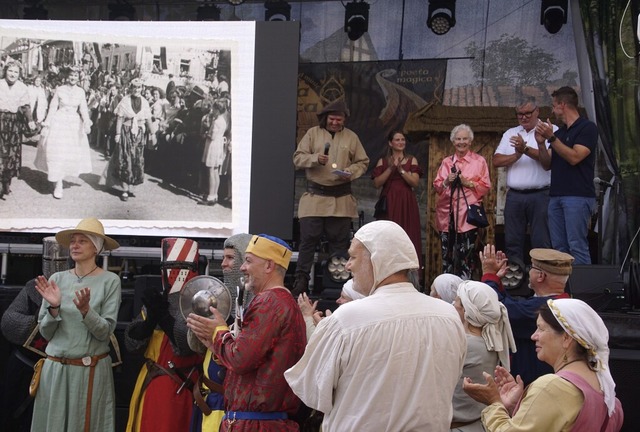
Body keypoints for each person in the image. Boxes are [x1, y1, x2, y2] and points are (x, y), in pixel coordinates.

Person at [285, 220, 466, 431]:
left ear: (377, 259)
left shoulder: (347, 319)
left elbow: (313, 392)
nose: (347, 265)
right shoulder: (448, 316)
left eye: (353, 257)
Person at [187, 234, 306, 432]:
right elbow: (251, 362)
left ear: (269, 266)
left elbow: (240, 359)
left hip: (256, 426)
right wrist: (214, 343)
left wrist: (219, 331)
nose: (242, 267)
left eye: (249, 261)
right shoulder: (279, 302)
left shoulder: (270, 302)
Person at [463, 298, 624, 431]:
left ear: (567, 338)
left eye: (541, 329)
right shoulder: (605, 390)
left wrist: (493, 402)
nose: (534, 336)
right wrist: (519, 406)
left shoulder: (552, 387)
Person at [31, 218, 121, 432]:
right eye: (73, 241)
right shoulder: (57, 279)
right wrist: (54, 308)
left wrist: (86, 311)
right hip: (56, 371)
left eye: (82, 241)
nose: (75, 245)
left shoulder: (110, 281)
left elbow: (105, 332)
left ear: (96, 247)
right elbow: (45, 332)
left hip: (88, 373)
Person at [292, 98, 370, 295]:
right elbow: (297, 158)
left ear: (344, 120)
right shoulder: (312, 134)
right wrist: (314, 158)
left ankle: (339, 285)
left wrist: (350, 172)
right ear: (325, 118)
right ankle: (301, 283)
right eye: (332, 119)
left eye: (339, 119)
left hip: (341, 199)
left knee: (340, 244)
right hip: (314, 198)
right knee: (308, 241)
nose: (335, 122)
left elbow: (363, 162)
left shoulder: (351, 137)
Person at [125, 237, 203, 432]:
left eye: (181, 265)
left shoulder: (200, 303)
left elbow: (186, 346)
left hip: (179, 386)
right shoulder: (158, 300)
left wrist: (162, 315)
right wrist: (151, 319)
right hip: (151, 383)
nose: (174, 271)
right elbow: (132, 343)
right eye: (169, 265)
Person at [0, 237, 69, 432]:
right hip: (25, 371)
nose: (55, 264)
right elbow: (9, 322)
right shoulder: (34, 287)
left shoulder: (77, 290)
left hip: (62, 370)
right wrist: (38, 320)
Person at [186, 233, 253, 432]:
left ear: (244, 260)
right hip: (209, 401)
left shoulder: (255, 303)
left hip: (232, 406)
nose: (223, 264)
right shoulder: (219, 298)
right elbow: (195, 347)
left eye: (230, 258)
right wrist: (200, 317)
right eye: (223, 257)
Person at [480, 244, 572, 385]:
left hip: (531, 386)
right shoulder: (561, 303)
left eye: (531, 268)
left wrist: (489, 275)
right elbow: (514, 308)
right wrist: (496, 280)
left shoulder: (545, 309)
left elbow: (498, 309)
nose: (528, 272)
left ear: (540, 276)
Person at [534, 86, 597, 265]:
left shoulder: (587, 128)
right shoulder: (560, 133)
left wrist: (552, 139)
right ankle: (563, 290)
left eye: (554, 106)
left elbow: (575, 157)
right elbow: (546, 164)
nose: (552, 110)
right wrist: (540, 144)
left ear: (562, 105)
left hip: (577, 196)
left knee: (576, 244)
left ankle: (584, 291)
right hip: (556, 196)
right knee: (559, 248)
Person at [493, 98, 554, 268]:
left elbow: (547, 163)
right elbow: (496, 160)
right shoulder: (510, 133)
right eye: (520, 114)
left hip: (541, 194)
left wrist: (525, 149)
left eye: (528, 113)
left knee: (541, 240)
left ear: (537, 111)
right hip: (515, 195)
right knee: (512, 240)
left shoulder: (550, 130)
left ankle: (542, 278)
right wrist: (517, 155)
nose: (524, 117)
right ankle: (515, 283)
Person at [450, 281, 517, 432]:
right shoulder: (492, 341)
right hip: (481, 424)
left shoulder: (464, 344)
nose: (453, 304)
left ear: (468, 311)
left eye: (457, 301)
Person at [434, 124, 491, 279]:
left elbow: (486, 187)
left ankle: (465, 290)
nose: (461, 142)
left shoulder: (479, 161)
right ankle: (446, 290)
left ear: (470, 141)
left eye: (465, 138)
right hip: (447, 214)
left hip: (468, 215)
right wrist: (446, 181)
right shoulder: (447, 162)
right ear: (453, 142)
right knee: (447, 256)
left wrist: (468, 183)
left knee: (466, 256)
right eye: (458, 139)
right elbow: (437, 187)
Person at [34, 66, 92, 199]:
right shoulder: (60, 89)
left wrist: (87, 122)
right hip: (59, 122)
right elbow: (53, 108)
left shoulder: (81, 92)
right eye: (71, 75)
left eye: (76, 76)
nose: (73, 78)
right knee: (56, 152)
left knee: (69, 153)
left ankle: (60, 178)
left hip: (73, 124)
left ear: (79, 78)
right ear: (67, 76)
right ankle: (58, 183)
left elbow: (83, 108)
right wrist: (47, 124)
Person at [371, 130, 423, 269]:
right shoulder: (383, 161)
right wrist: (391, 168)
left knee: (408, 234)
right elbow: (377, 183)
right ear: (390, 143)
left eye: (403, 140)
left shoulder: (412, 160)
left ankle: (411, 272)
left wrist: (400, 169)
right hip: (389, 201)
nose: (401, 142)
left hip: (406, 201)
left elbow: (414, 182)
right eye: (397, 140)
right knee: (387, 236)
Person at [101, 77, 155, 201]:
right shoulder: (125, 100)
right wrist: (118, 134)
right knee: (125, 158)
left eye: (139, 87)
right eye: (135, 87)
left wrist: (152, 134)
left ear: (142, 88)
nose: (137, 90)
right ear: (131, 88)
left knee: (136, 159)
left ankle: (131, 186)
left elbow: (148, 119)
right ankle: (124, 189)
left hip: (139, 134)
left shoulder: (145, 102)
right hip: (126, 131)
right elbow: (120, 118)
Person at [0, 60, 35, 199]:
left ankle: (6, 183)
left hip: (14, 123)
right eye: (10, 71)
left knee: (10, 154)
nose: (12, 74)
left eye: (15, 72)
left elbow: (25, 106)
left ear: (19, 74)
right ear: (5, 71)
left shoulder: (22, 87)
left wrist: (30, 120)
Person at [296, 278, 365, 341]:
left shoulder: (353, 330)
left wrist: (307, 315)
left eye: (343, 297)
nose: (337, 301)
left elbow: (317, 346)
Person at [199, 99, 228, 206]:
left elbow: (213, 136)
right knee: (215, 171)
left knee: (211, 170)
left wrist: (206, 133)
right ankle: (215, 194)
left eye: (214, 108)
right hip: (218, 145)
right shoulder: (223, 121)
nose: (212, 110)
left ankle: (210, 196)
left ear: (217, 109)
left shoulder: (216, 122)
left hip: (213, 146)